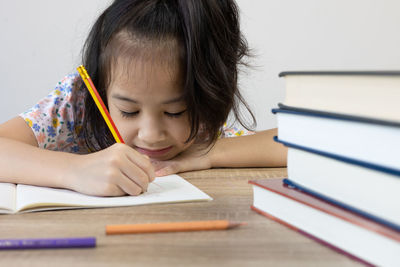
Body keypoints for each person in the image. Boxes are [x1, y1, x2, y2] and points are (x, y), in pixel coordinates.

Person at [0, 0, 287, 197]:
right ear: (100, 89)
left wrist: (209, 153)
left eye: (175, 112)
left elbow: (308, 145)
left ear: (211, 95)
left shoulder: (204, 125)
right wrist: (73, 171)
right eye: (128, 111)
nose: (151, 135)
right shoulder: (76, 104)